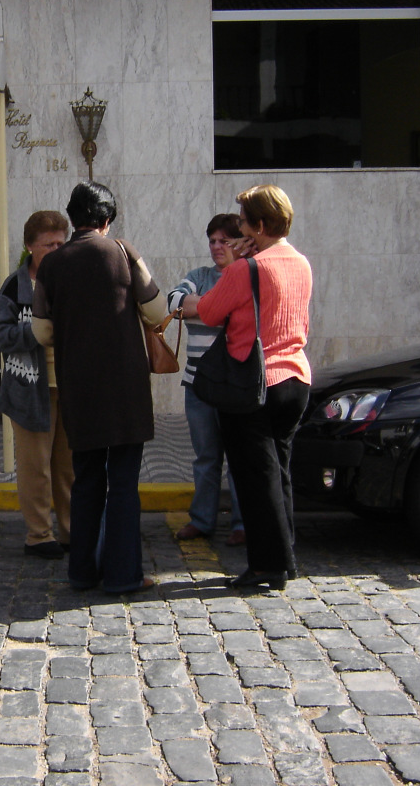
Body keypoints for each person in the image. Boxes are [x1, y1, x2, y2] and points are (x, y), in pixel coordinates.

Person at [31, 181, 165, 594]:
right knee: (123, 481)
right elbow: (157, 309)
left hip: (79, 386)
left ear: (73, 218)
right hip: (126, 388)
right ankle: (123, 575)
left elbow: (41, 332)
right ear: (107, 220)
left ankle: (82, 573)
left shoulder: (52, 265)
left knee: (86, 479)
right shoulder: (124, 252)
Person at [188, 185, 312, 591]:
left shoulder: (246, 268)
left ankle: (266, 566)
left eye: (242, 220)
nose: (238, 226)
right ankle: (286, 557)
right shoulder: (300, 262)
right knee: (280, 472)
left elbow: (208, 310)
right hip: (296, 379)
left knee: (255, 478)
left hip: (254, 384)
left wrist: (238, 262)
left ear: (258, 225)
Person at [0, 210, 74, 559]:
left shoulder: (73, 280)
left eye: (61, 243)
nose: (56, 250)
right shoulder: (16, 286)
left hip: (69, 387)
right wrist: (35, 332)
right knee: (34, 467)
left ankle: (72, 531)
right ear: (30, 246)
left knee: (68, 468)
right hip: (29, 389)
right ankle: (39, 535)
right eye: (48, 244)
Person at [167, 213, 246, 547]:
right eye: (212, 240)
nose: (216, 247)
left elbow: (241, 314)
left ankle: (243, 523)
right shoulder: (199, 275)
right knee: (205, 457)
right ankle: (202, 520)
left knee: (240, 456)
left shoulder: (245, 276)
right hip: (198, 384)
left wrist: (199, 307)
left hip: (234, 383)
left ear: (238, 243)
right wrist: (215, 308)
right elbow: (173, 302)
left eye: (223, 241)